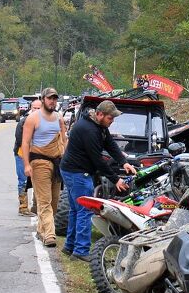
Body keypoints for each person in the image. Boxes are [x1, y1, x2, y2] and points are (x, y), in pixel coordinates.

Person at [59, 100, 136, 262]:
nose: (112, 121)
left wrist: (124, 162)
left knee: (76, 210)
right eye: (110, 118)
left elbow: (110, 144)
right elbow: (98, 161)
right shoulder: (88, 130)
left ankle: (70, 246)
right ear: (100, 114)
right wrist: (116, 180)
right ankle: (80, 250)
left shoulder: (99, 126)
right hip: (78, 173)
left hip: (72, 170)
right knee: (84, 210)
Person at [22, 88, 67, 247]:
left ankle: (42, 230)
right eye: (50, 98)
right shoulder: (33, 118)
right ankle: (49, 235)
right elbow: (25, 143)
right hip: (39, 162)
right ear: (43, 99)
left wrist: (65, 159)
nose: (52, 101)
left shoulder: (59, 118)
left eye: (55, 99)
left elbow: (64, 140)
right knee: (44, 200)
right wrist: (27, 164)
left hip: (56, 163)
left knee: (54, 203)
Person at [14, 100, 41, 216]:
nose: (36, 110)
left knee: (38, 180)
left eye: (39, 108)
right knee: (23, 181)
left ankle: (36, 207)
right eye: (34, 108)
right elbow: (20, 140)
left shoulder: (44, 122)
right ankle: (23, 207)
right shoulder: (23, 122)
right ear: (31, 108)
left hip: (37, 155)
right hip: (22, 155)